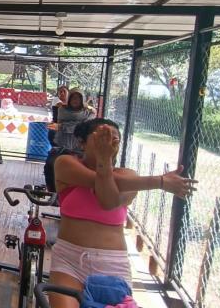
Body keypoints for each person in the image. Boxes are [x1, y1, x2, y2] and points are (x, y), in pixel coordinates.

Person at [50, 118, 197, 308]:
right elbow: (96, 179)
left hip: (112, 264)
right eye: (101, 138)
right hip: (69, 259)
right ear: (82, 142)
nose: (108, 143)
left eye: (114, 139)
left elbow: (108, 201)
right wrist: (159, 181)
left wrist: (104, 161)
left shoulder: (129, 175)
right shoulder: (65, 163)